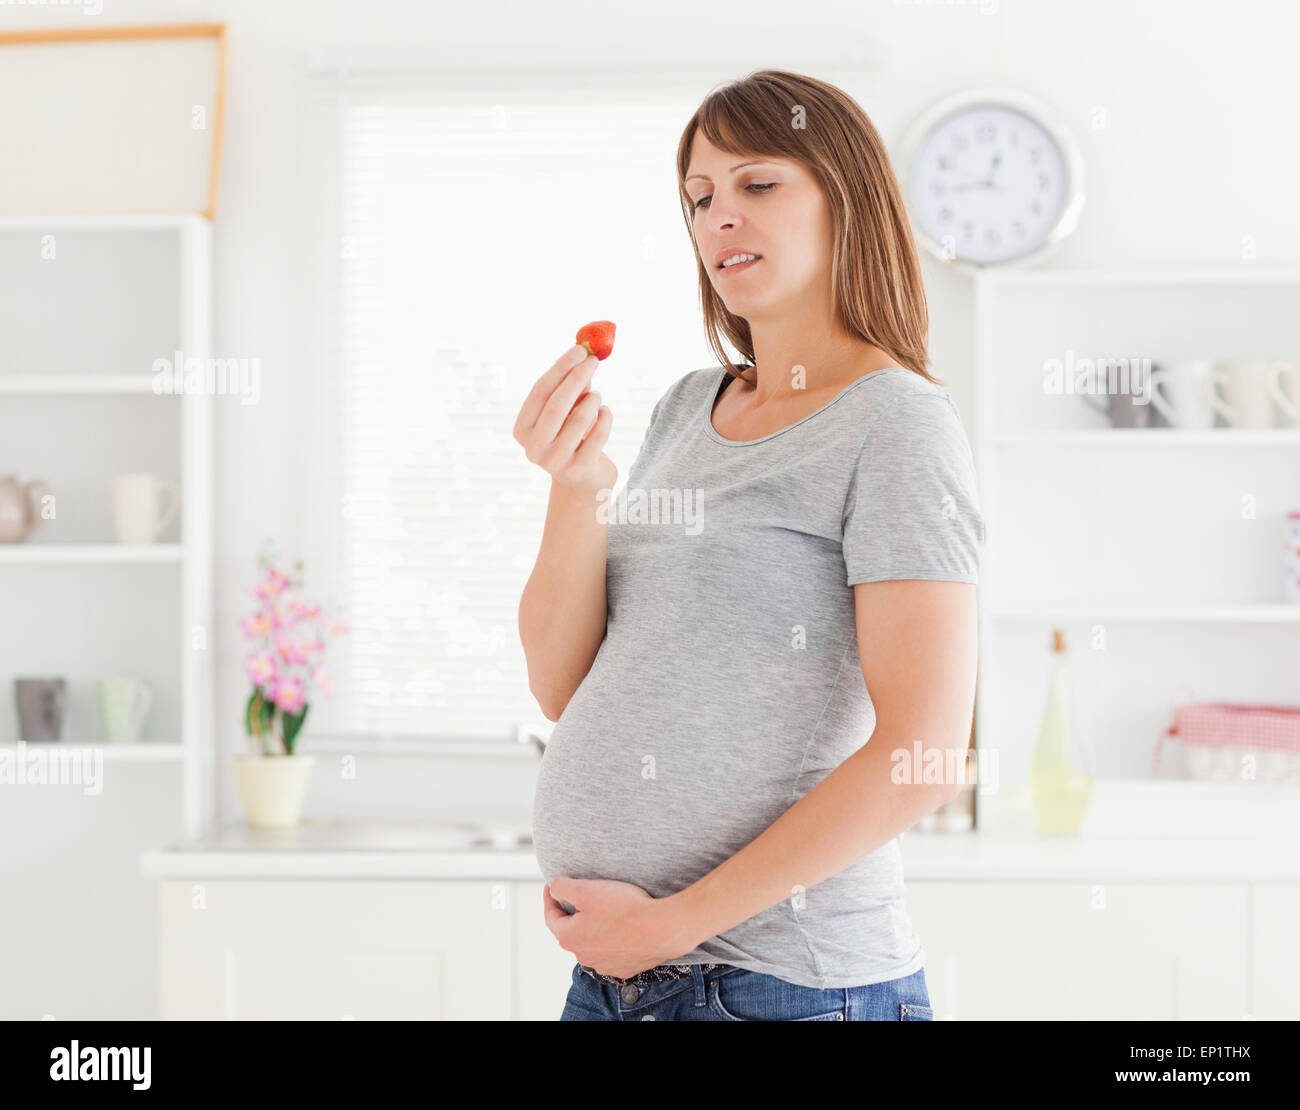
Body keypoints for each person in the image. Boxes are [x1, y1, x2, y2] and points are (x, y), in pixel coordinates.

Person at [513, 69, 985, 1021]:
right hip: (620, 981)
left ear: (846, 200)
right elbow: (567, 686)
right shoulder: (688, 407)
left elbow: (925, 751)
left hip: (783, 987)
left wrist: (676, 921)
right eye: (699, 198)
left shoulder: (894, 423)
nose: (719, 216)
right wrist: (576, 490)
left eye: (758, 184)